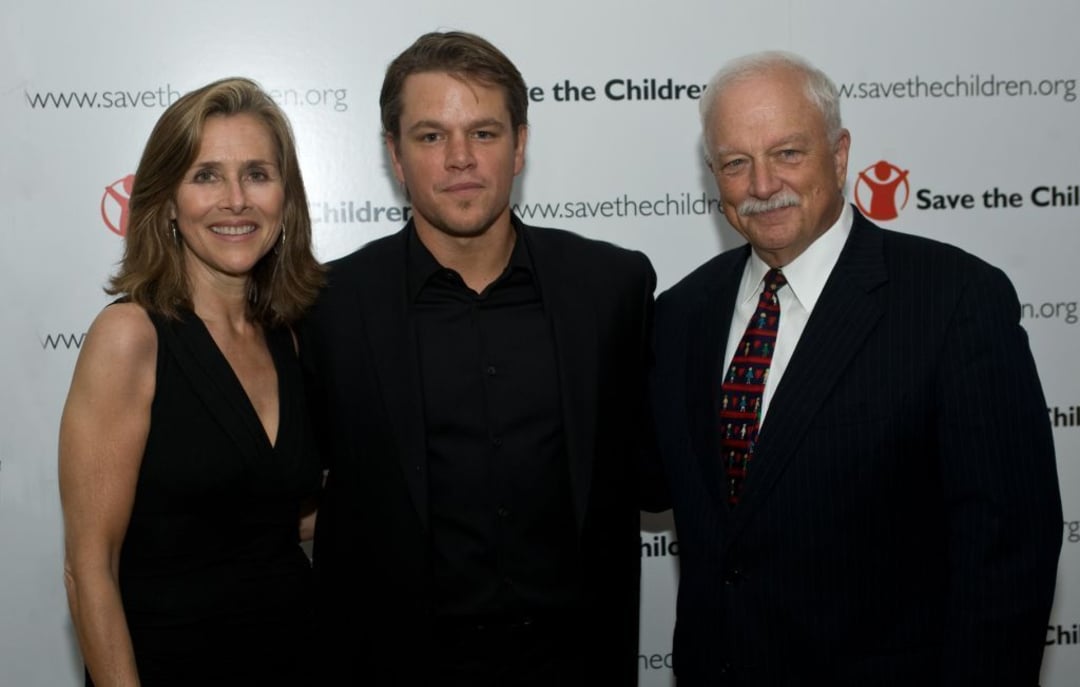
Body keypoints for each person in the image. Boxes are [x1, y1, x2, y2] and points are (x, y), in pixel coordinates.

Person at [650, 51, 1063, 685]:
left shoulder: (952, 299)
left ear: (840, 154)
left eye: (787, 153)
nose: (762, 185)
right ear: (714, 176)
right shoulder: (681, 314)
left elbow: (1009, 554)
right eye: (737, 163)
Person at [302, 30, 660, 686]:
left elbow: (656, 468)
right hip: (394, 663)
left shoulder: (613, 287)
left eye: (485, 133)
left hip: (577, 662)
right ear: (395, 155)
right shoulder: (326, 307)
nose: (460, 158)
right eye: (432, 136)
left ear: (520, 146)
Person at [58, 77, 324, 686]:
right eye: (206, 175)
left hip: (303, 657)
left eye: (257, 174)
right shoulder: (131, 336)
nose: (236, 199)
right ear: (167, 201)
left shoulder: (290, 335)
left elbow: (269, 513)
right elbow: (89, 566)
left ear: (286, 198)